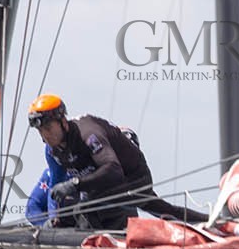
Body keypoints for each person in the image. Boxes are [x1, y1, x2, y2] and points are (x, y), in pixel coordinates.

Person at [27, 93, 209, 229]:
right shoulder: (53, 151)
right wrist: (54, 220)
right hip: (100, 188)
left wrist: (75, 184)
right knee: (72, 209)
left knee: (88, 206)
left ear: (63, 122)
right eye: (41, 131)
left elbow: (113, 169)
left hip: (132, 178)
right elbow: (57, 188)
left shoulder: (88, 133)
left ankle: (214, 224)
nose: (45, 135)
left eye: (48, 128)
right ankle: (209, 221)